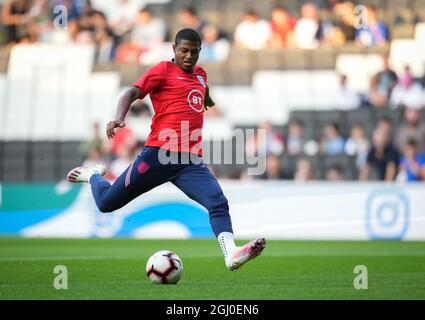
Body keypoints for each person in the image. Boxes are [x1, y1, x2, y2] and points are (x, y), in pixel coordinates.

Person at [67, 28, 266, 271]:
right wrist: (119, 117)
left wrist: (211, 104)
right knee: (107, 203)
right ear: (174, 49)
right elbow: (131, 92)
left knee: (218, 202)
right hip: (158, 155)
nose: (188, 56)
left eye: (194, 52)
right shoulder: (163, 70)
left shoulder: (201, 76)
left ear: (200, 52)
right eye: (183, 50)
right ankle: (93, 176)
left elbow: (203, 93)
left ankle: (231, 254)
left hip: (190, 162)